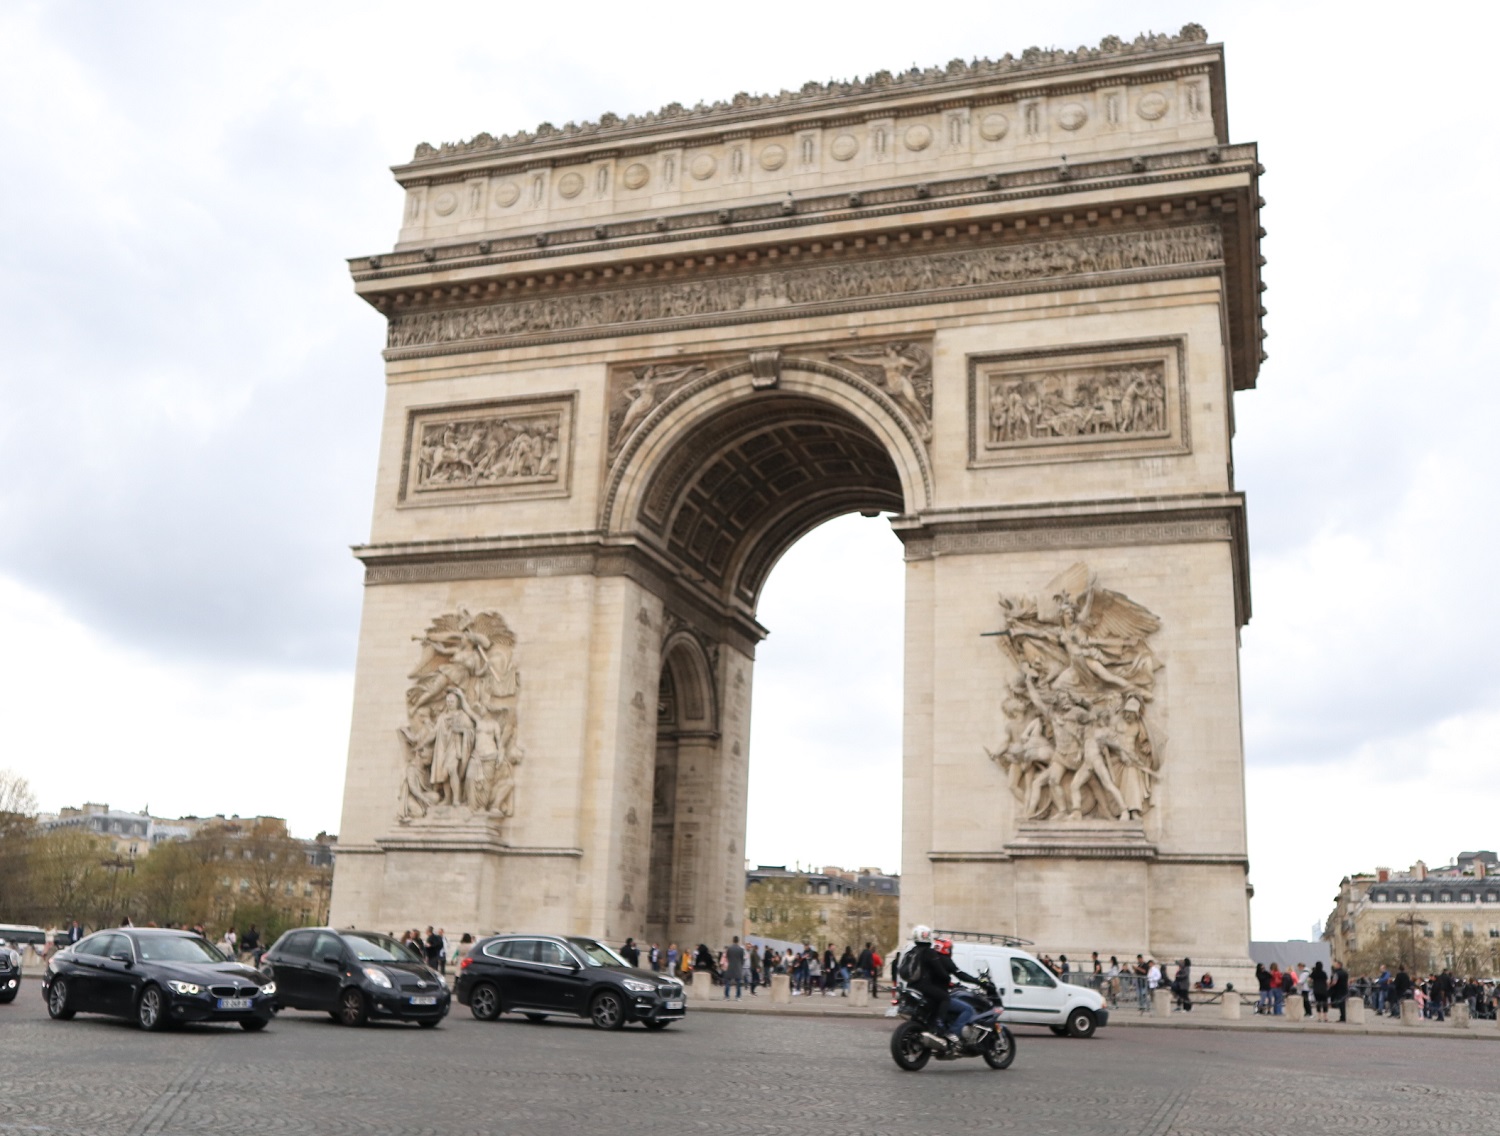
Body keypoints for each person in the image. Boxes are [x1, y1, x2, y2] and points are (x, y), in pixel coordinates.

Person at [906, 927, 983, 1048]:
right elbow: (953, 974)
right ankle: (950, 1032)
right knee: (966, 1009)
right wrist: (979, 982)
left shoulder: (914, 951)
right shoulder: (937, 957)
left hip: (914, 987)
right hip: (930, 990)